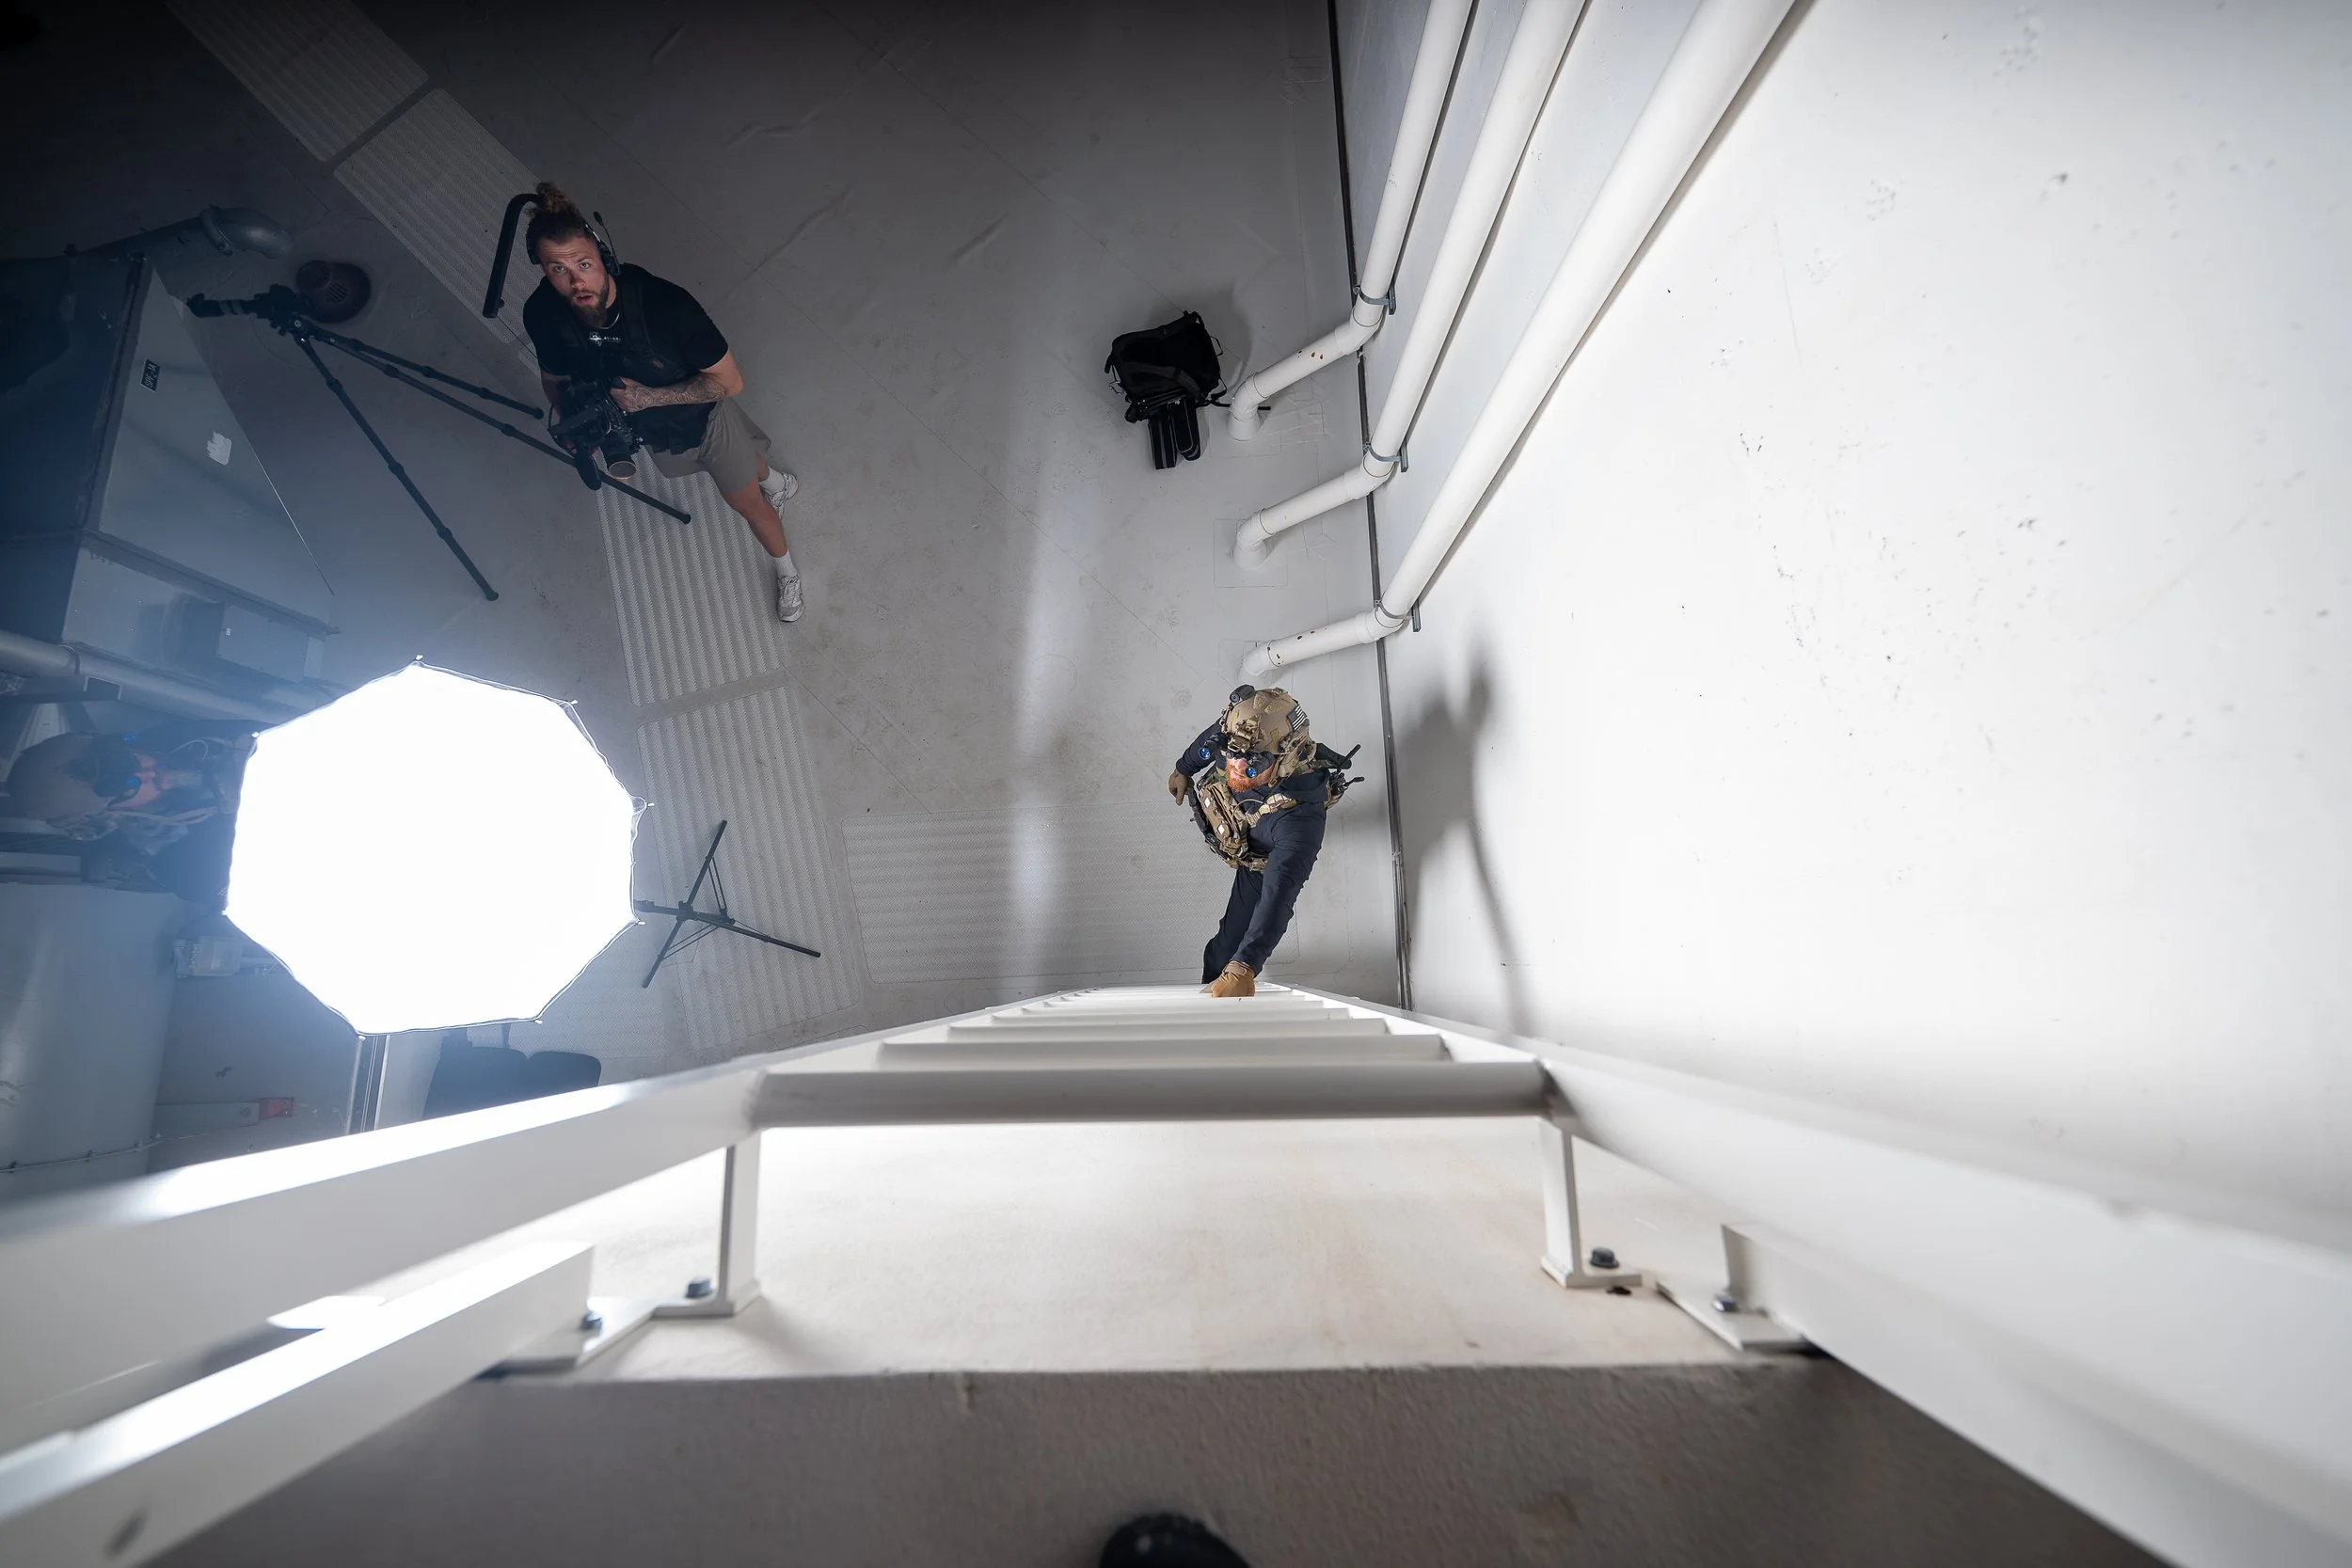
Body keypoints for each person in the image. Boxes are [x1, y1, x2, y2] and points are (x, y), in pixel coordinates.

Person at [519, 183, 807, 622]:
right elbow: (554, 378)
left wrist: (647, 398)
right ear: (542, 270)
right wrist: (580, 423)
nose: (577, 281)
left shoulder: (666, 306)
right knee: (730, 465)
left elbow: (729, 382)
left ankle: (785, 568)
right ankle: (775, 480)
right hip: (650, 432)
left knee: (746, 504)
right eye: (557, 269)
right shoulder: (542, 312)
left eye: (584, 264)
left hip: (703, 416)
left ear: (604, 257)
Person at [1168, 686, 1353, 999]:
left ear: (1284, 757)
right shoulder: (1241, 734)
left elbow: (1278, 896)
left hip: (1260, 863)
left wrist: (1245, 965)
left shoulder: (1300, 820)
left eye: (1252, 763)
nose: (1235, 769)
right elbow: (1209, 742)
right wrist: (1184, 768)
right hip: (1247, 837)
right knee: (1219, 953)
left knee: (1232, 953)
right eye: (1230, 757)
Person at [4, 726, 256, 906]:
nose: (148, 775)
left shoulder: (190, 735)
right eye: (128, 786)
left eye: (131, 760)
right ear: (105, 816)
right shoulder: (186, 869)